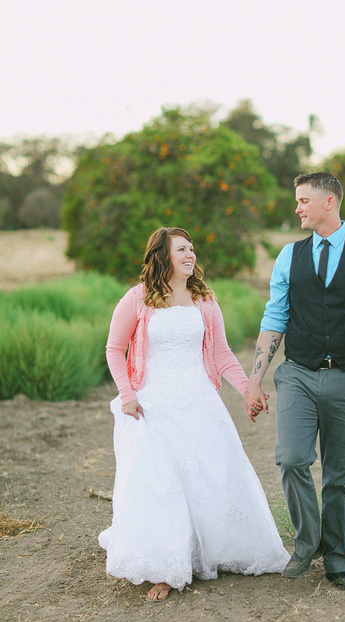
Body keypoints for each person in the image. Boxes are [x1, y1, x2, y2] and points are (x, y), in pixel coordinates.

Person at [99, 227, 289, 601]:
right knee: (161, 482)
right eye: (181, 249)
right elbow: (114, 348)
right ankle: (166, 566)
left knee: (211, 477)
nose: (191, 254)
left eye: (192, 249)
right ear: (162, 256)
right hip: (153, 404)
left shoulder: (204, 299)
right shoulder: (138, 298)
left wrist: (248, 389)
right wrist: (127, 394)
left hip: (200, 402)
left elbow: (221, 355)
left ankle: (212, 550)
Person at [244, 172, 345, 594]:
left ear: (330, 202)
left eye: (304, 200)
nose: (297, 208)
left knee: (340, 475)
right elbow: (274, 319)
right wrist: (255, 381)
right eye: (297, 200)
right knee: (292, 460)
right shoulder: (288, 256)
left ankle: (339, 561)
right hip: (298, 375)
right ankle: (306, 543)